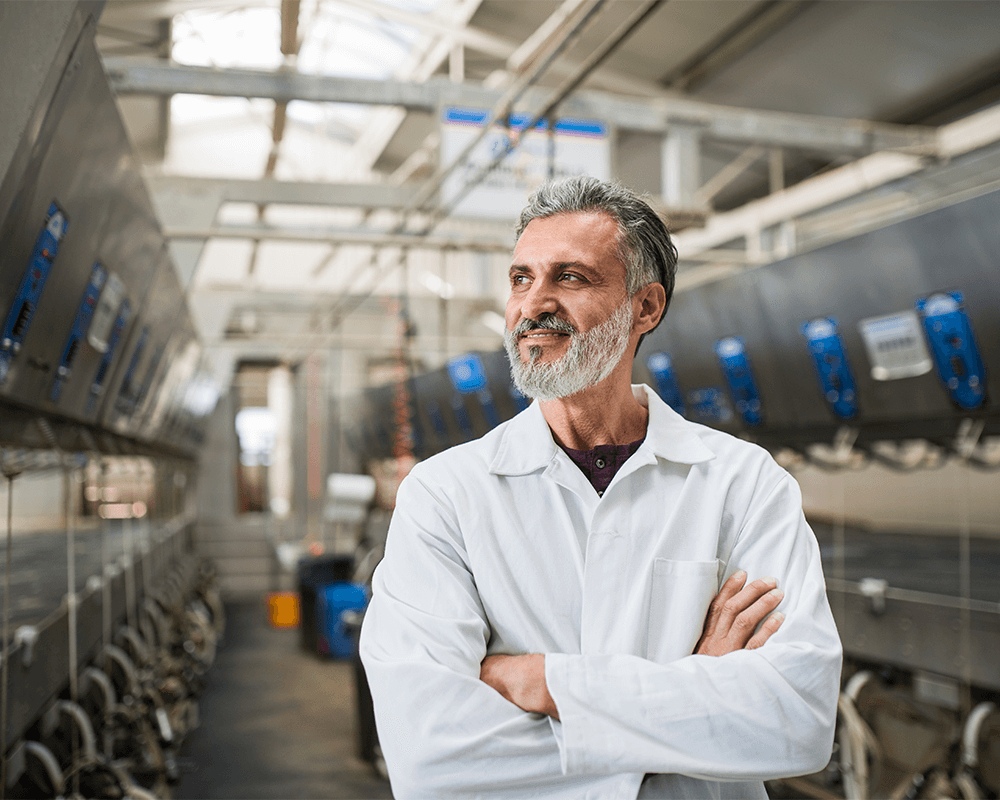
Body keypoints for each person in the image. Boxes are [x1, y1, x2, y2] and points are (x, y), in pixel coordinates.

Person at [360, 176, 842, 799]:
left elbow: (794, 718)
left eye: (571, 277)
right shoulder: (444, 495)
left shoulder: (745, 485)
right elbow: (429, 756)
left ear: (645, 307)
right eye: (520, 279)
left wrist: (547, 684)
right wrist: (692, 695)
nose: (534, 304)